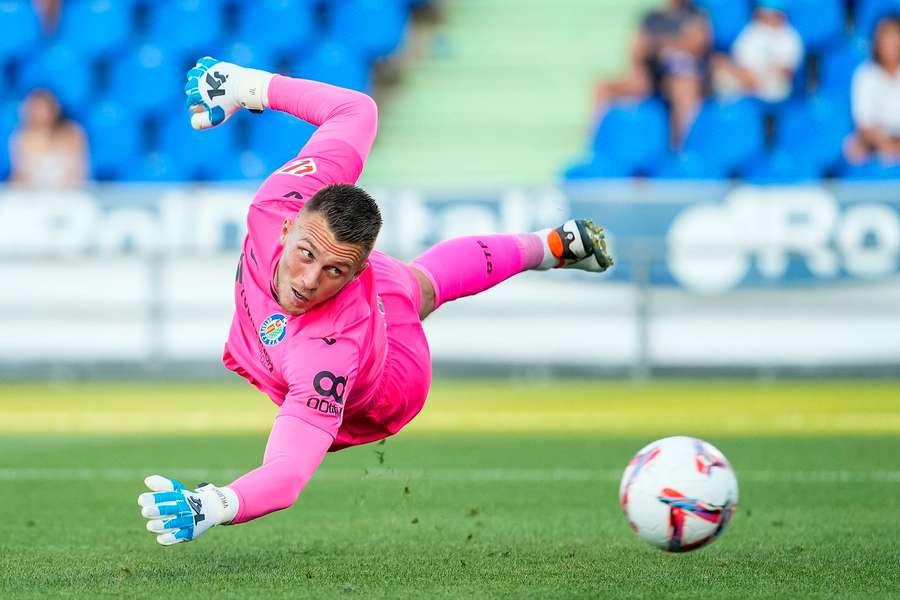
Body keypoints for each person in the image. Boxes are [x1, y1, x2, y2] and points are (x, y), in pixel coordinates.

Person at [136, 57, 614, 545]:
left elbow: (285, 475)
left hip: (389, 381)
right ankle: (557, 244)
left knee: (416, 290)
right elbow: (356, 109)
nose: (308, 280)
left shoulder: (330, 355)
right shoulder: (276, 202)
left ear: (355, 271)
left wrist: (213, 504)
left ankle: (548, 250)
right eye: (305, 254)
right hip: (350, 296)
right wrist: (246, 84)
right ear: (287, 226)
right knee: (415, 280)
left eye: (333, 271)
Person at [593, 0, 711, 147]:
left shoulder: (696, 15)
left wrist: (658, 44)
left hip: (684, 76)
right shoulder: (652, 17)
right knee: (603, 87)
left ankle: (683, 147)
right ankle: (598, 145)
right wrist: (672, 44)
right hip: (652, 75)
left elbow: (697, 44)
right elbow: (637, 49)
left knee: (683, 88)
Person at [711, 0, 804, 104]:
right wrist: (745, 76)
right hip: (746, 79)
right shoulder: (751, 30)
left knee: (778, 87)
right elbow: (739, 60)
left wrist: (758, 80)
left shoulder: (790, 36)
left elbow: (786, 70)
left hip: (770, 84)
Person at [843, 15, 900, 165]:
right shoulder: (865, 74)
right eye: (886, 35)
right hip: (874, 141)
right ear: (876, 42)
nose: (892, 42)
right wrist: (886, 145)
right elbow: (864, 123)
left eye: (896, 35)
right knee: (854, 149)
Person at [9, 89, 89, 189]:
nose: (40, 113)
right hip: (32, 195)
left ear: (54, 108)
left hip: (69, 193)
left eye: (43, 107)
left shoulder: (73, 133)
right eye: (35, 108)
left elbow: (79, 172)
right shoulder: (20, 137)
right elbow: (19, 174)